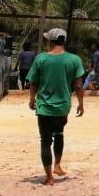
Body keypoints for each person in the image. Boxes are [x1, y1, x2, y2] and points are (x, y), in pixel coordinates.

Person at [26, 28, 85, 186]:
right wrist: (81, 103)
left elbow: (33, 82)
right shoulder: (74, 60)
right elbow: (78, 85)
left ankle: (49, 178)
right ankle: (57, 166)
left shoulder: (41, 59)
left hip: (44, 106)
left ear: (50, 41)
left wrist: (32, 99)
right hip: (63, 106)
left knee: (45, 141)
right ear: (64, 41)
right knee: (59, 133)